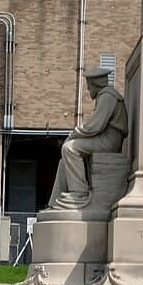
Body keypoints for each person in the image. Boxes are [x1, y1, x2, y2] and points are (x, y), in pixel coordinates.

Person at [49, 68, 129, 209]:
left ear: (96, 83)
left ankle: (78, 193)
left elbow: (94, 126)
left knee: (69, 148)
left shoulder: (108, 97)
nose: (87, 88)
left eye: (89, 84)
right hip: (103, 138)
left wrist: (73, 135)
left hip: (109, 141)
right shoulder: (104, 96)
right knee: (64, 163)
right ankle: (53, 203)